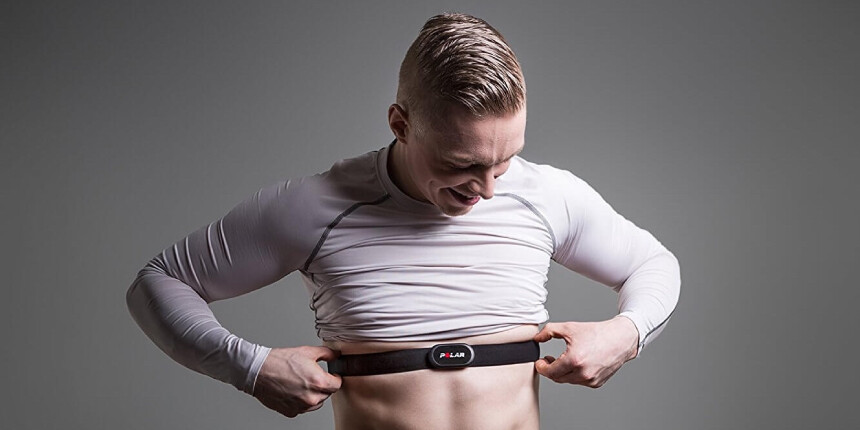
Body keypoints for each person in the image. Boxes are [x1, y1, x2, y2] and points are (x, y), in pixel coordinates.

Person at [126, 12, 680, 430]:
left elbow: (654, 264)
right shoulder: (317, 206)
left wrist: (626, 334)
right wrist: (249, 367)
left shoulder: (547, 195)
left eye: (505, 160)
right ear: (400, 124)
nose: (488, 189)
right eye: (462, 164)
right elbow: (158, 283)